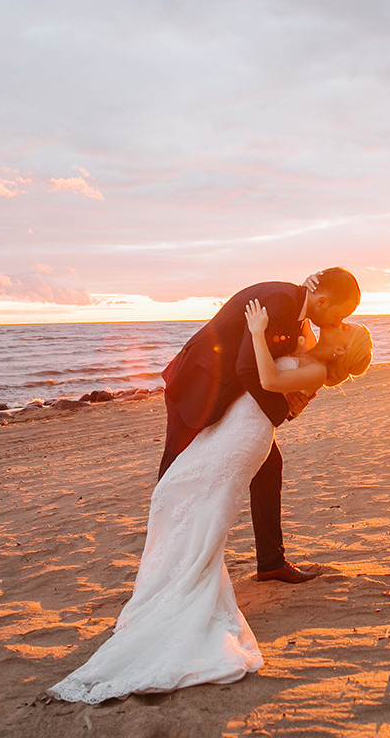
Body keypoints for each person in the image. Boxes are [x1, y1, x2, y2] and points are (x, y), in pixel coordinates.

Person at [45, 291, 372, 703]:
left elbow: (269, 380)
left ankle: (190, 593)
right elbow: (296, 323)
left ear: (341, 348)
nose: (339, 321)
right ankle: (172, 585)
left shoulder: (315, 371)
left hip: (247, 434)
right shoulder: (306, 342)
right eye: (344, 317)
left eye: (345, 326)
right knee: (172, 496)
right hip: (235, 425)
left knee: (204, 510)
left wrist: (256, 331)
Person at [158, 268, 361, 583]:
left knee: (269, 466)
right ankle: (165, 558)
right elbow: (248, 369)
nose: (339, 322)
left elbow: (287, 351)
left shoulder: (297, 308)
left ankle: (271, 563)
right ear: (322, 302)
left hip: (227, 393)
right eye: (341, 314)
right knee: (177, 467)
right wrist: (279, 414)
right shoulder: (281, 303)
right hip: (198, 385)